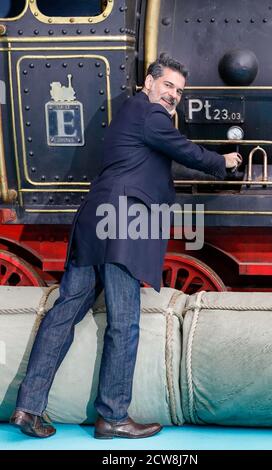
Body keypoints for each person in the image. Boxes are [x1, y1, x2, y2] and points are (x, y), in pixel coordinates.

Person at [10, 54, 241, 439]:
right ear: (148, 83)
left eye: (179, 91)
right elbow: (185, 151)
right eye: (168, 85)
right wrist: (223, 160)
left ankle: (27, 408)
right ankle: (113, 416)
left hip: (95, 220)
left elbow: (161, 159)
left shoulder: (131, 114)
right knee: (124, 323)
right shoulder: (152, 116)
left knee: (64, 313)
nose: (173, 95)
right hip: (123, 224)